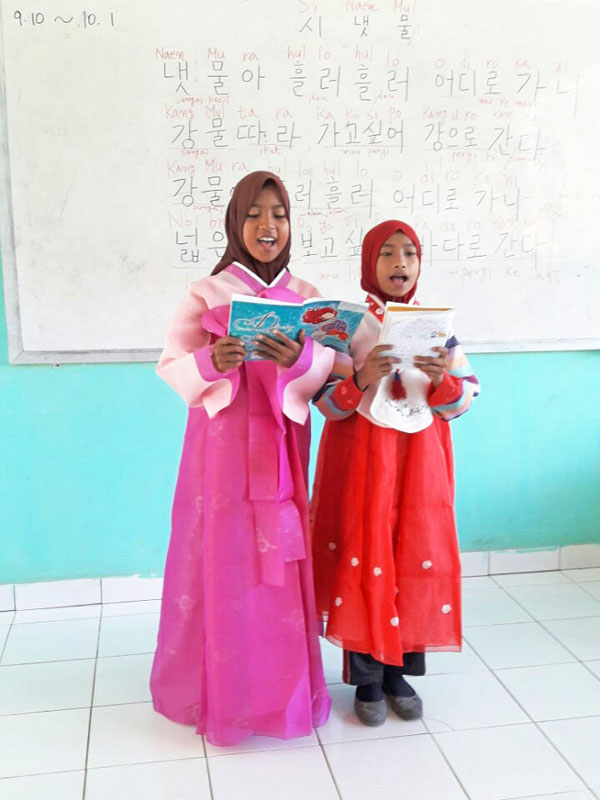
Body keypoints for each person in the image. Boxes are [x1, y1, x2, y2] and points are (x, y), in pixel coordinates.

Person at [150, 171, 335, 746]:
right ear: (236, 222)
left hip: (280, 449)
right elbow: (172, 366)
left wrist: (297, 359)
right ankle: (220, 692)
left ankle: (279, 691)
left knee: (278, 558)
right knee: (223, 556)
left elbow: (324, 371)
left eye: (278, 214)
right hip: (222, 454)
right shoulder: (207, 292)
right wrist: (215, 361)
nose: (267, 226)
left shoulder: (307, 296)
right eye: (254, 214)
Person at [311, 219, 480, 727]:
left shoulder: (439, 328)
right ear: (370, 263)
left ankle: (398, 675)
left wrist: (443, 380)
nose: (399, 262)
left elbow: (464, 400)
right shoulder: (347, 327)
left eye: (409, 252)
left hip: (420, 464)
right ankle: (366, 679)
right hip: (363, 462)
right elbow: (326, 403)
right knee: (365, 552)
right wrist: (362, 376)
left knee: (413, 555)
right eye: (386, 252)